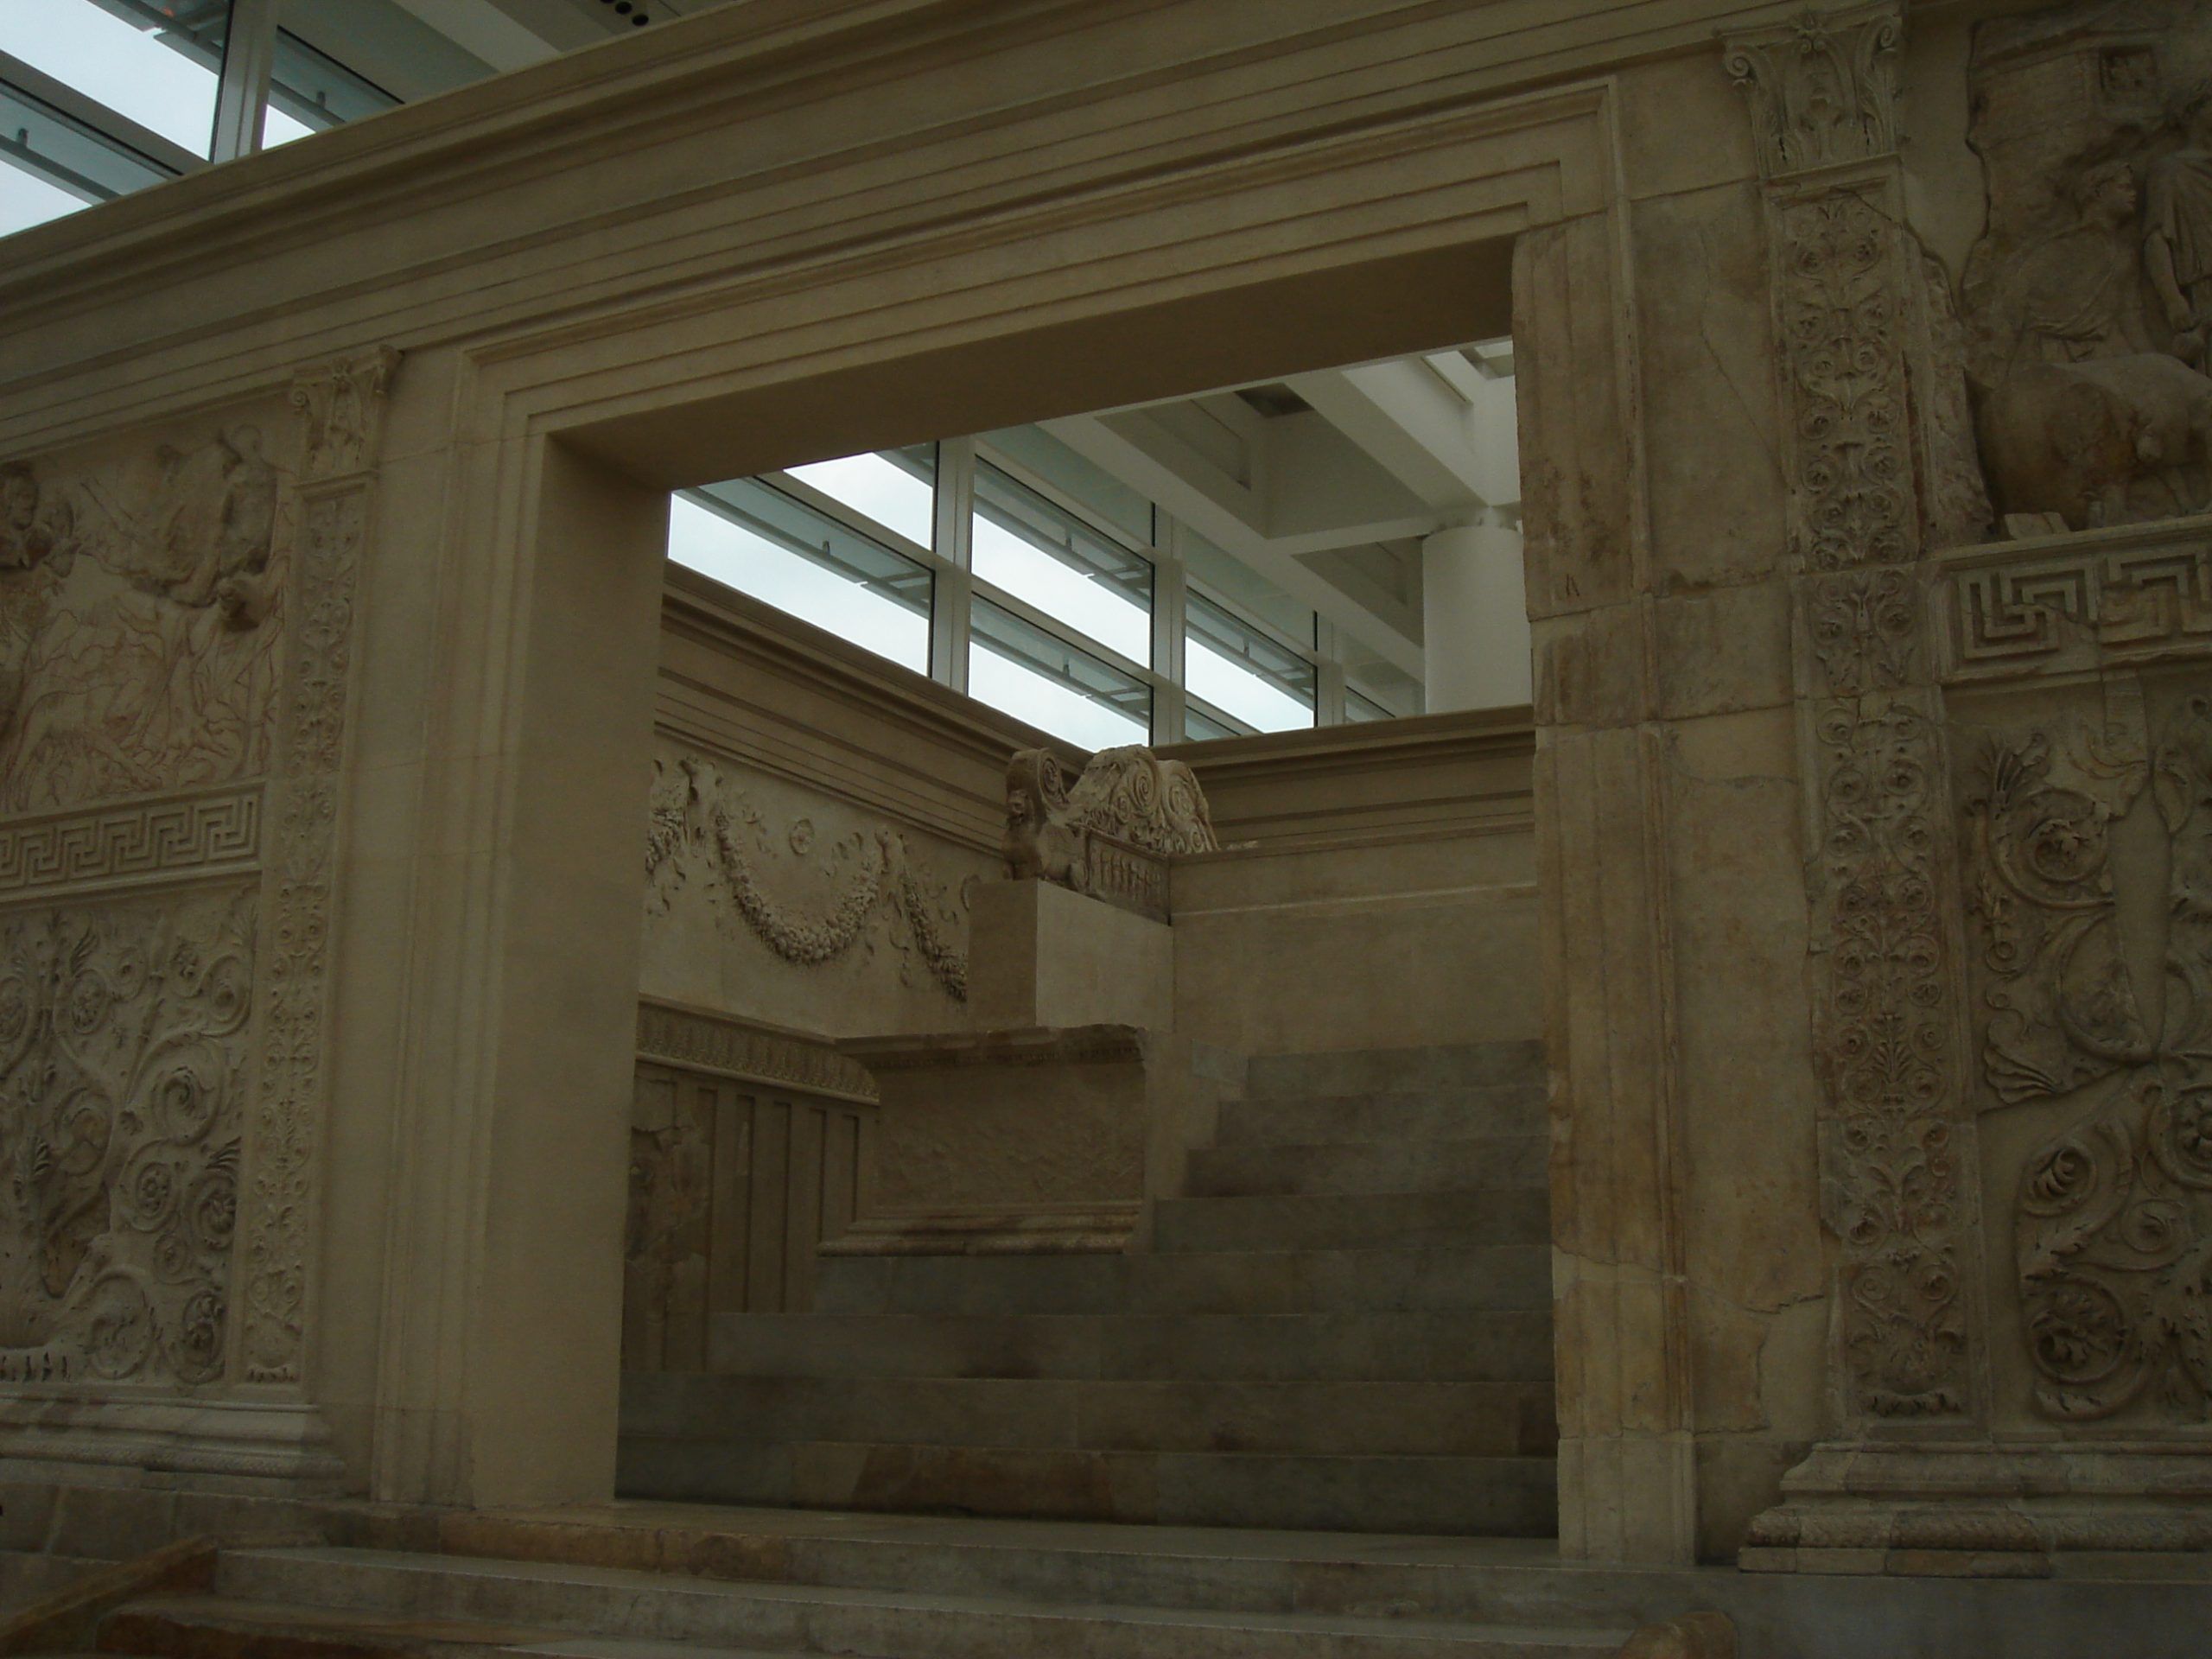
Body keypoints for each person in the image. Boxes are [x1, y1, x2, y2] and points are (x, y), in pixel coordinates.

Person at [2146, 86, 2212, 366]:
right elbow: (2156, 238)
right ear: (2190, 112)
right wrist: (2172, 298)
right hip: (2205, 289)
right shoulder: (2171, 170)